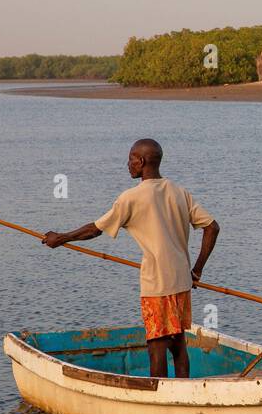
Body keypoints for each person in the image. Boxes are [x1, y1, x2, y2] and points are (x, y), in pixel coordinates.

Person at [42, 138, 219, 378]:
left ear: (142, 161)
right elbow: (212, 227)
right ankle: (182, 392)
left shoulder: (132, 197)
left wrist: (61, 238)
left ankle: (159, 401)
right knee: (178, 345)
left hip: (157, 284)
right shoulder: (179, 192)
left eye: (131, 159)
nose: (128, 164)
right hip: (182, 282)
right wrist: (196, 270)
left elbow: (95, 229)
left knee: (156, 347)